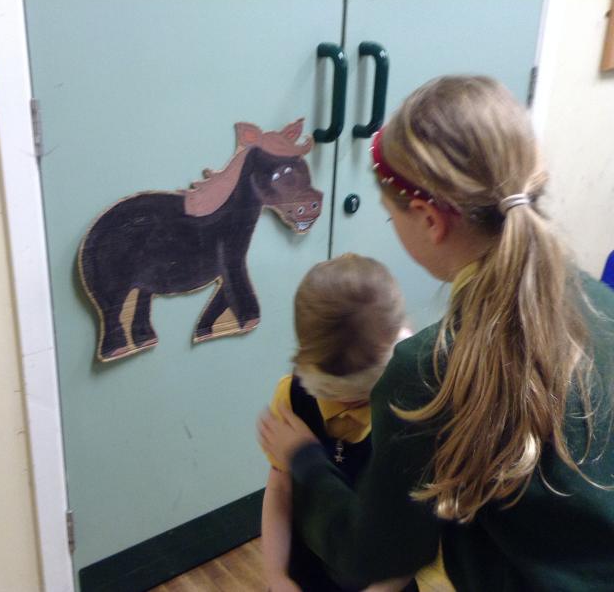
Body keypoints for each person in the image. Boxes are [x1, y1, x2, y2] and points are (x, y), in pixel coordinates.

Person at [258, 75, 614, 591]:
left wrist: (305, 460)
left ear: (428, 219)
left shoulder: (426, 372)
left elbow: (373, 556)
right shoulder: (602, 304)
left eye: (390, 218)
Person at [261, 253, 417, 592]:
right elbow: (280, 488)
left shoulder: (410, 409)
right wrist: (275, 575)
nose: (348, 403)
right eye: (329, 390)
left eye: (364, 391)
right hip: (308, 570)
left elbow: (410, 533)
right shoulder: (292, 398)